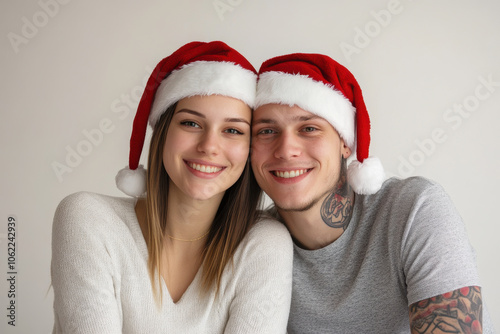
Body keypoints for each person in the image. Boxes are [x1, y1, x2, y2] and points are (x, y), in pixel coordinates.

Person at [51, 41, 293, 333]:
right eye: (191, 123)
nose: (209, 147)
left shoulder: (264, 244)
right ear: (163, 132)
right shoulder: (89, 219)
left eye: (232, 130)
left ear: (249, 148)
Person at [250, 53, 495, 333]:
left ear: (344, 143)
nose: (285, 149)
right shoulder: (254, 243)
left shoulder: (413, 209)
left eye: (309, 128)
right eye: (267, 131)